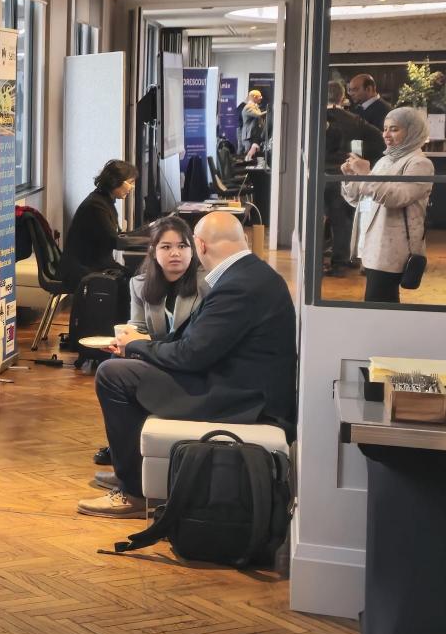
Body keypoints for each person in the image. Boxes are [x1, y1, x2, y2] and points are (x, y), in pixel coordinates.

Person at [79, 212, 296, 519]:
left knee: (112, 375)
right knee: (124, 366)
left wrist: (138, 346)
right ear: (244, 239)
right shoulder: (251, 274)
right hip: (235, 381)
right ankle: (132, 473)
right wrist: (139, 348)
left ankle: (133, 493)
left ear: (199, 246)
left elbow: (191, 354)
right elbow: (194, 343)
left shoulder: (239, 284)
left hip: (240, 397)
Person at [86, 216, 212, 483]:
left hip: (188, 364)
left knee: (118, 374)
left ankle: (129, 471)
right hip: (156, 358)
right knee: (113, 367)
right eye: (166, 247)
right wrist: (125, 343)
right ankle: (126, 463)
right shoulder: (140, 284)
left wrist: (142, 345)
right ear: (154, 251)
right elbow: (138, 327)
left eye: (182, 246)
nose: (175, 253)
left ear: (193, 250)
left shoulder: (207, 285)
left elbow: (195, 342)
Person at [340, 107, 435, 303]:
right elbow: (359, 199)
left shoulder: (420, 164)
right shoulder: (385, 160)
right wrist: (351, 177)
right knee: (381, 302)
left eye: (394, 129)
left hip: (393, 248)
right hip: (372, 244)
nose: (386, 135)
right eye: (384, 129)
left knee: (379, 302)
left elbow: (397, 198)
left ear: (412, 131)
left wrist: (366, 175)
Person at [321, 79, 382, 275]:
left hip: (320, 173)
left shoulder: (316, 118)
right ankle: (342, 260)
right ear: (342, 97)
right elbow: (379, 139)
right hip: (345, 173)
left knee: (318, 219)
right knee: (343, 219)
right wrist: (362, 159)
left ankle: (318, 261)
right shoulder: (355, 120)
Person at [61, 159, 137, 291]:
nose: (132, 187)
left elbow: (116, 236)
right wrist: (147, 241)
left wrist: (145, 238)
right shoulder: (96, 205)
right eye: (130, 183)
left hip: (96, 263)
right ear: (115, 181)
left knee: (135, 275)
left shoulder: (104, 201)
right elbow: (114, 241)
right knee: (135, 279)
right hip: (84, 268)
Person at [239, 89, 268, 161]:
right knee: (249, 156)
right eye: (259, 97)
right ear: (254, 97)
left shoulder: (254, 106)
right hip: (249, 136)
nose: (261, 98)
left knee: (253, 156)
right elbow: (258, 115)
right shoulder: (249, 107)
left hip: (253, 135)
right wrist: (269, 111)